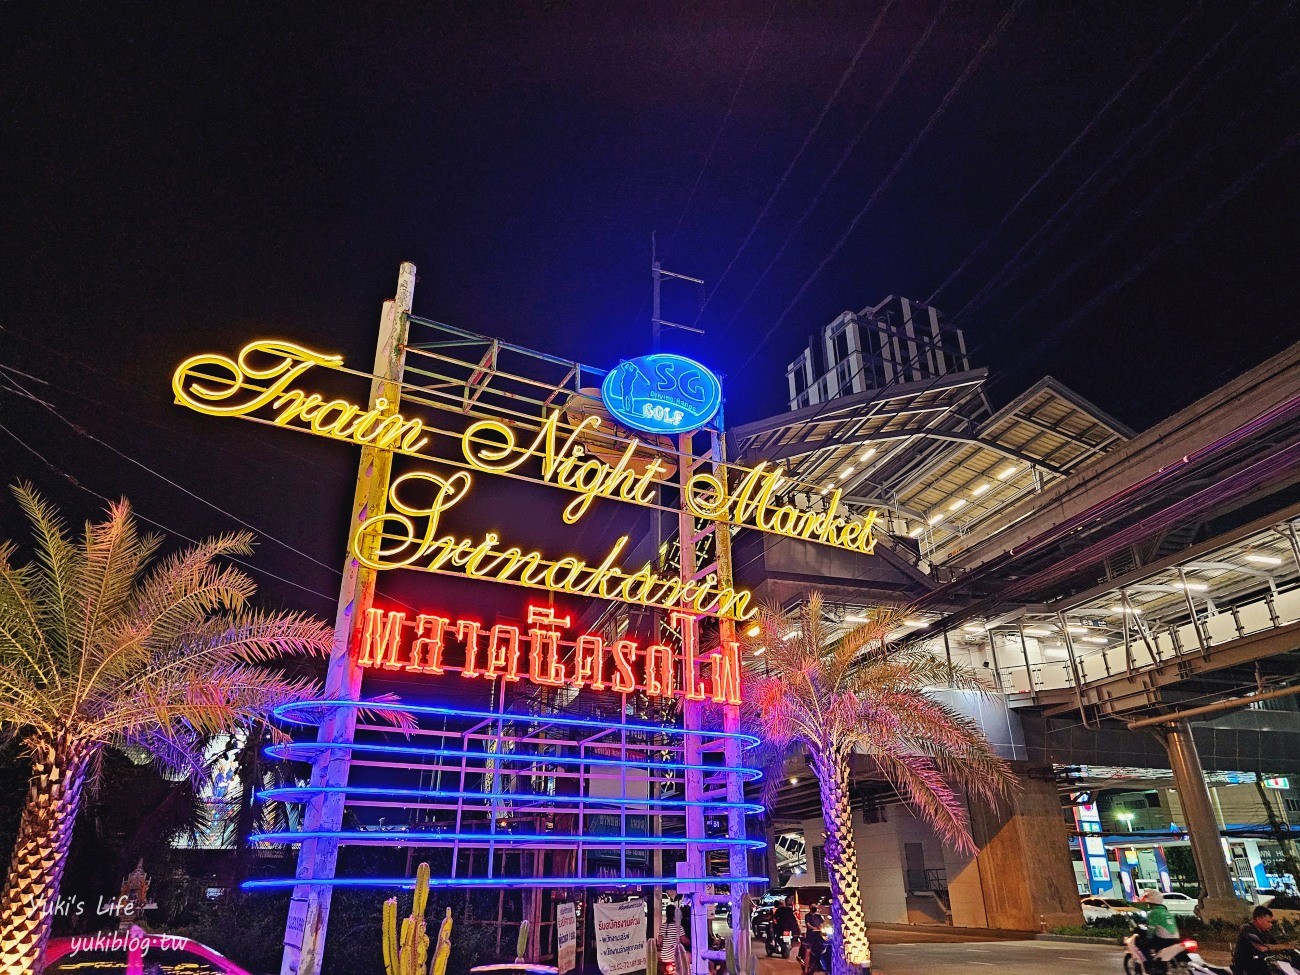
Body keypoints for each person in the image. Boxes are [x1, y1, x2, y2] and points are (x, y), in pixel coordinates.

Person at [1233, 905, 1296, 975]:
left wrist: (1291, 946)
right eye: (1268, 922)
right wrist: (1284, 946)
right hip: (1246, 967)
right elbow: (1261, 947)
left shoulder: (1265, 932)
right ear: (1259, 919)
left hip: (1261, 964)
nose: (1271, 925)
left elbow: (1276, 945)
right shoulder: (1247, 929)